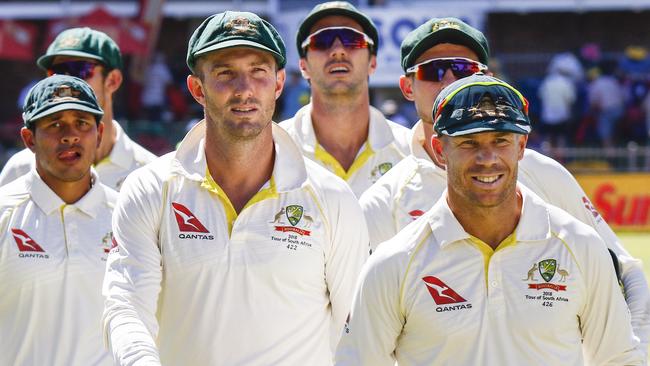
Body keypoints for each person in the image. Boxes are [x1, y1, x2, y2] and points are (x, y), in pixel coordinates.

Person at [359, 18, 650, 353]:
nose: (451, 80)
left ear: (487, 78)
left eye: (464, 68)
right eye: (434, 71)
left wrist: (630, 355)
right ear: (408, 87)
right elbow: (367, 326)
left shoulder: (541, 172)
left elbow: (626, 274)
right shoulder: (384, 199)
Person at [102, 11, 369, 365]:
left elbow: (357, 328)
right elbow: (127, 305)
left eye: (258, 71)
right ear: (198, 88)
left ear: (277, 84)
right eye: (225, 73)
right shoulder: (151, 189)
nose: (244, 89)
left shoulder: (331, 198)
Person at [0, 75, 117, 366]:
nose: (70, 135)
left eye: (82, 123)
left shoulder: (129, 215)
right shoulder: (4, 213)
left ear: (99, 134)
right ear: (29, 139)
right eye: (54, 124)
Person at [0, 27, 156, 190]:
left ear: (112, 81)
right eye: (57, 72)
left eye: (79, 69)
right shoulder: (21, 168)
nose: (67, 82)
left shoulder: (149, 172)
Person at [280, 1, 410, 197]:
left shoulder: (410, 152)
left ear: (372, 63)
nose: (338, 50)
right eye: (322, 41)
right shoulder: (274, 151)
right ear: (303, 65)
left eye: (352, 40)